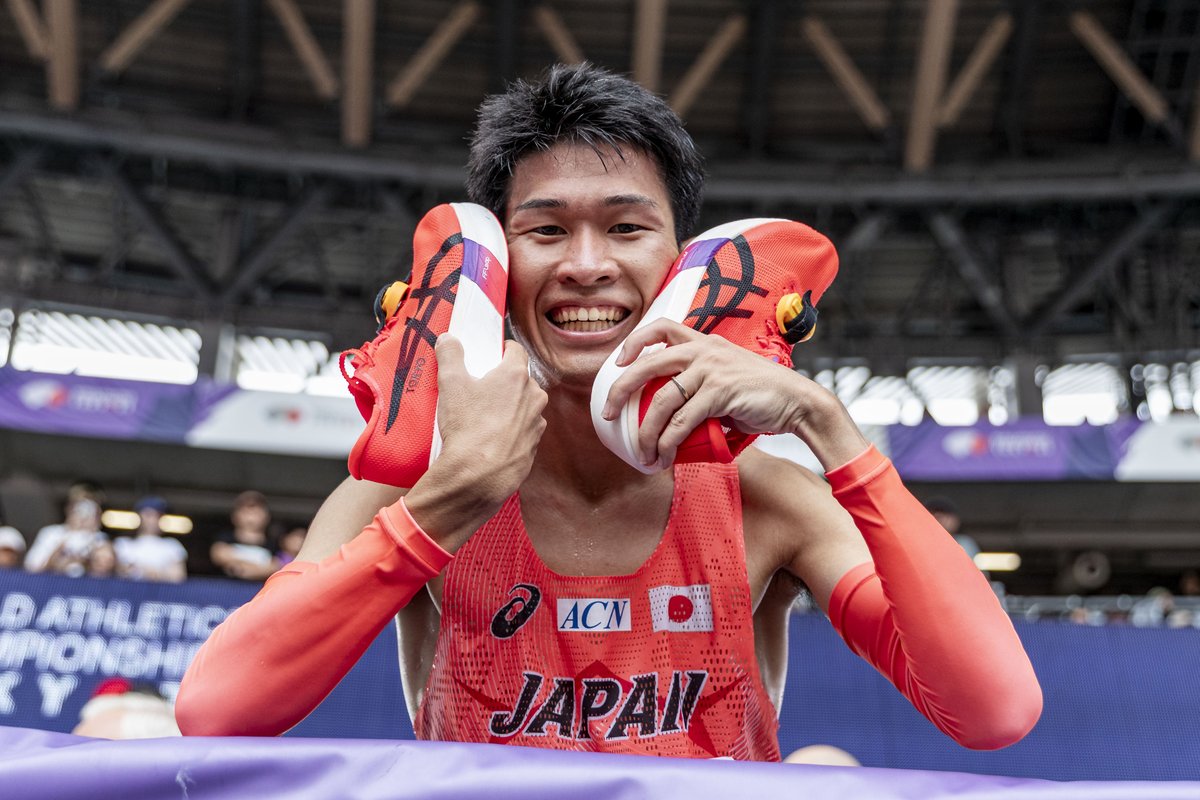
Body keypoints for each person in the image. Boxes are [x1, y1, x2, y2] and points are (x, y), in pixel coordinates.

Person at [177, 63, 1041, 758]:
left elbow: (994, 709)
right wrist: (450, 501)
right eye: (545, 231)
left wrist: (827, 424)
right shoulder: (408, 496)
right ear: (494, 267)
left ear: (679, 266)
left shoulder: (770, 496)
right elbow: (217, 711)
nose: (586, 265)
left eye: (627, 229)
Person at [25, 484, 109, 577]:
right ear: (69, 508)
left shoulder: (100, 539)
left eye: (89, 507)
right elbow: (31, 568)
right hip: (51, 586)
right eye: (79, 506)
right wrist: (56, 557)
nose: (83, 513)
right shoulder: (50, 533)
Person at [114, 496, 188, 583]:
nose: (153, 520)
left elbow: (178, 576)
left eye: (158, 516)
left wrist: (144, 571)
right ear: (139, 517)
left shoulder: (172, 545)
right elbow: (116, 570)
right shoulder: (122, 543)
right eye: (149, 515)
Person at [209, 491, 279, 581]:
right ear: (235, 516)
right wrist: (260, 567)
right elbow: (218, 555)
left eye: (256, 512)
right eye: (246, 512)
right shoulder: (224, 538)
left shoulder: (274, 544)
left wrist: (242, 567)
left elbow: (276, 566)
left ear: (266, 516)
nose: (251, 517)